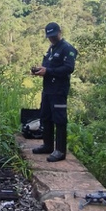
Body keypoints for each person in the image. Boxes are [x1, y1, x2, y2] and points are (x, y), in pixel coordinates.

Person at [31, 22, 78, 162]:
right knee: (45, 117)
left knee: (59, 120)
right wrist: (40, 70)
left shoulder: (67, 49)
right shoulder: (51, 49)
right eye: (49, 36)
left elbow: (69, 68)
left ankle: (60, 151)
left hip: (59, 90)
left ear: (59, 32)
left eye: (53, 35)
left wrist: (49, 71)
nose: (51, 38)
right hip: (48, 90)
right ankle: (48, 145)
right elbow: (48, 66)